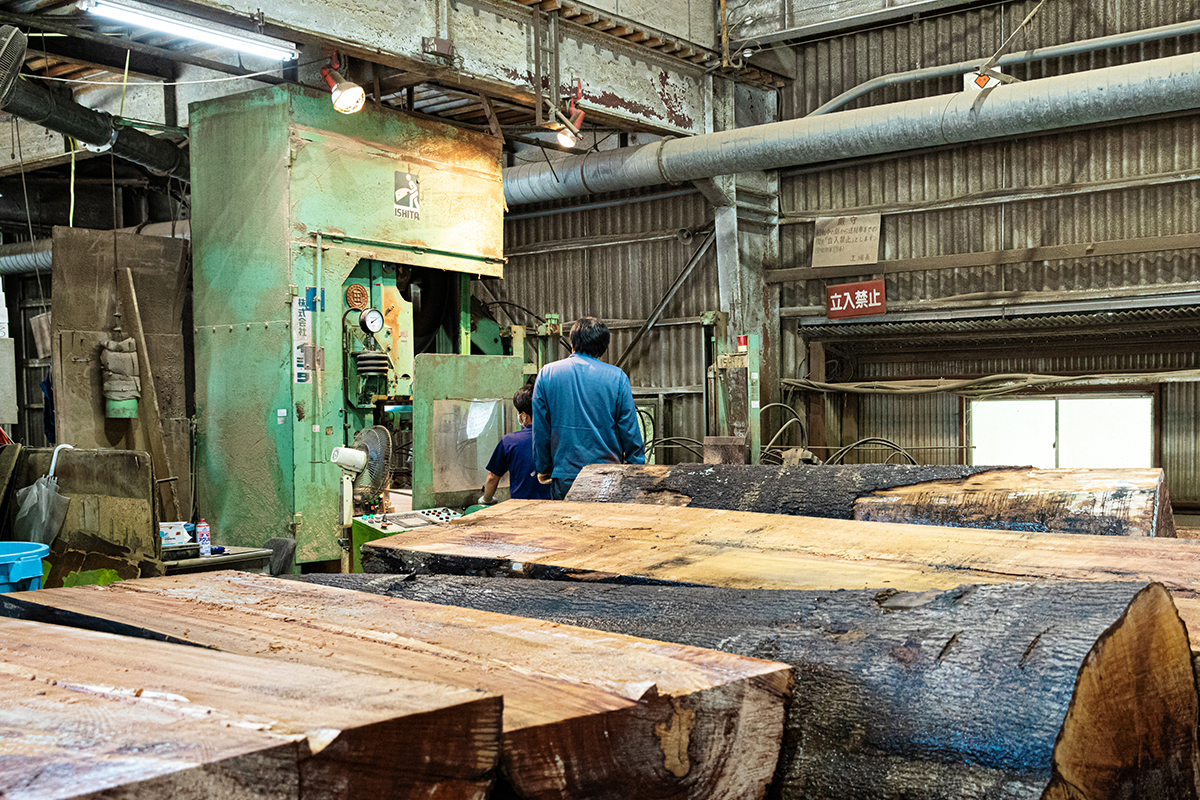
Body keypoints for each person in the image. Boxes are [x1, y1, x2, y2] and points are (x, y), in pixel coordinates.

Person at [532, 316, 645, 500]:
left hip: (565, 477)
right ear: (603, 347)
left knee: (565, 526)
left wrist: (543, 468)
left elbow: (541, 429)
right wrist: (636, 469)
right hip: (608, 477)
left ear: (572, 343)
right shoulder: (617, 378)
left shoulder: (547, 374)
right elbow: (630, 431)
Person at [479, 382, 553, 504]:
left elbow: (492, 477)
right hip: (555, 507)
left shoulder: (509, 442)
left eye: (519, 413)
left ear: (524, 416)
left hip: (521, 508)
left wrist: (486, 499)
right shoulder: (556, 438)